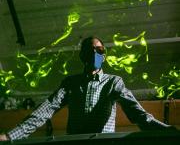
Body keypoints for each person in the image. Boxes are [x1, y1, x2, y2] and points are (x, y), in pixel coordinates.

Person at [0, 36, 176, 141]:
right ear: (82, 55)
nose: (95, 54)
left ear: (104, 56)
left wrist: (165, 132)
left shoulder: (113, 82)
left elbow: (136, 112)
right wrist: (10, 136)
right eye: (90, 50)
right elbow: (45, 110)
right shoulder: (71, 83)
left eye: (99, 50)